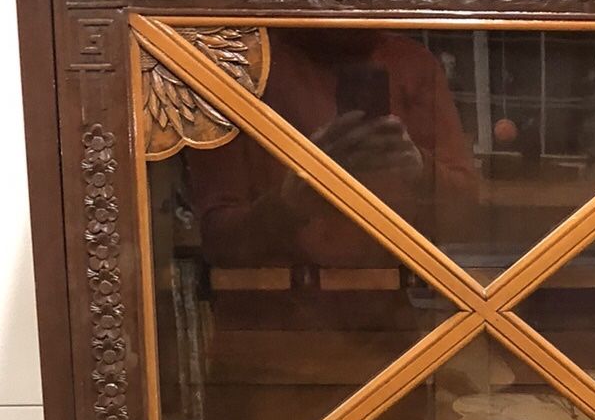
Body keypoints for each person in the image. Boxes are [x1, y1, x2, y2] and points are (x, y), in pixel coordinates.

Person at [188, 28, 478, 269]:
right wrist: (290, 202)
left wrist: (418, 170)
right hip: (270, 321)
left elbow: (466, 219)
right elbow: (217, 244)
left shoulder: (412, 65)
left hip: (382, 322)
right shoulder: (237, 67)